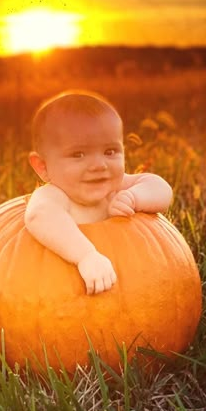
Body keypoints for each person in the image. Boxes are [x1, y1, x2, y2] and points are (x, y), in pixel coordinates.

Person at [24, 90, 173, 295]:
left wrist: (134, 197)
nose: (99, 165)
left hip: (134, 290)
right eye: (78, 154)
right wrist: (86, 256)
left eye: (110, 151)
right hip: (64, 302)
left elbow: (162, 189)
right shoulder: (53, 196)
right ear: (43, 167)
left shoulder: (114, 187)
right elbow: (39, 216)